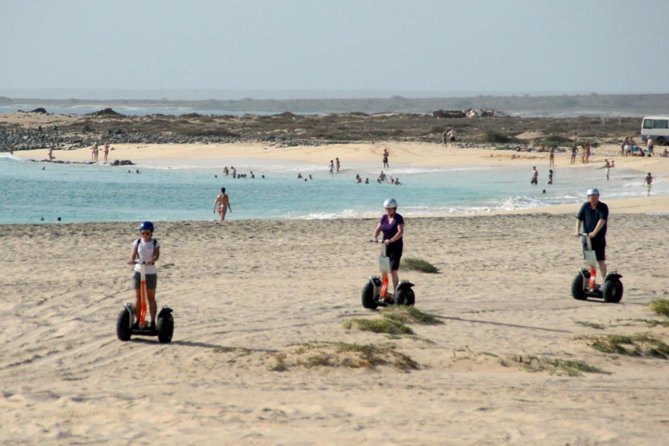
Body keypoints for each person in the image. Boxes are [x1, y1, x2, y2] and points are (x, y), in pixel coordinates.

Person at [128, 221, 160, 329]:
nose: (145, 235)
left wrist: (151, 260)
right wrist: (132, 260)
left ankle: (152, 322)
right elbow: (133, 254)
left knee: (150, 298)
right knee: (138, 297)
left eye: (147, 233)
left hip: (150, 272)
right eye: (143, 233)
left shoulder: (155, 243)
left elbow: (156, 255)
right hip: (138, 271)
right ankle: (138, 321)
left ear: (151, 233)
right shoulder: (137, 242)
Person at [575, 189, 608, 278]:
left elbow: (602, 220)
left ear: (598, 197)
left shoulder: (603, 207)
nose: (593, 199)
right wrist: (577, 231)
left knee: (600, 260)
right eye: (591, 197)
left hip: (599, 239)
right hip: (587, 239)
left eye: (595, 197)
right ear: (588, 197)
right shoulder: (585, 206)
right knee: (591, 261)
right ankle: (592, 282)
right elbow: (579, 219)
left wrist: (595, 232)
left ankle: (604, 280)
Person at [373, 198, 404, 293]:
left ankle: (396, 292)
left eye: (390, 209)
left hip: (396, 247)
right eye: (386, 209)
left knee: (393, 270)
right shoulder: (384, 217)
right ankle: (384, 290)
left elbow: (400, 232)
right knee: (384, 269)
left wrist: (391, 240)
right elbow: (378, 228)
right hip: (385, 246)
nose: (388, 210)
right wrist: (374, 236)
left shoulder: (398, 218)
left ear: (394, 208)